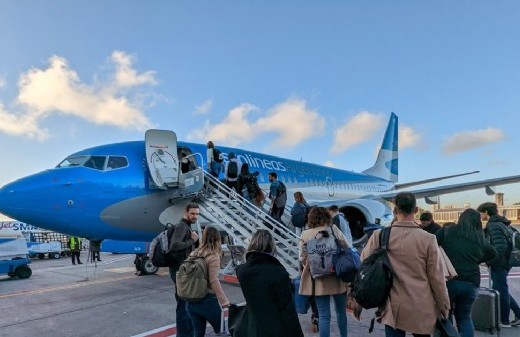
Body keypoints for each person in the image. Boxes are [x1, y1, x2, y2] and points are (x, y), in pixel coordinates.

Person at [361, 192, 450, 337]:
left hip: (392, 305)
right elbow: (437, 278)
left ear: (395, 211)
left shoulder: (379, 235)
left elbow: (363, 261)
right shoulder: (428, 239)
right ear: (416, 210)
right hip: (421, 304)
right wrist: (443, 305)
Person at [436, 208, 497, 337]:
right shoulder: (479, 237)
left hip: (449, 281)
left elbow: (432, 245)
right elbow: (493, 252)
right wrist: (478, 260)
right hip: (471, 282)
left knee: (446, 316)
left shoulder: (447, 232)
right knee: (465, 317)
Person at [236, 229, 304, 337]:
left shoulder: (241, 271)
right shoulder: (278, 272)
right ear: (271, 246)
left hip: (253, 327)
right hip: (276, 328)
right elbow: (288, 310)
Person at [299, 207, 349, 337]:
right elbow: (347, 247)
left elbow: (302, 257)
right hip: (337, 276)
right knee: (341, 312)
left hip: (318, 279)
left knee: (324, 315)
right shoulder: (333, 230)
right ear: (327, 217)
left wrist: (314, 266)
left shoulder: (306, 234)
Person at [477, 202, 520, 327]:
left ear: (485, 212)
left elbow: (500, 248)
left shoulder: (494, 225)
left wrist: (488, 261)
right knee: (501, 289)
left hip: (499, 263)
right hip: (504, 262)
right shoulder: (501, 223)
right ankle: (518, 313)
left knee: (501, 289)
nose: (480, 215)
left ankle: (504, 320)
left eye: (480, 213)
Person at [186, 226, 230, 337]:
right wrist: (224, 301)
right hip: (207, 301)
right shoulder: (213, 256)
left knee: (198, 333)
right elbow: (214, 280)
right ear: (217, 239)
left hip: (191, 301)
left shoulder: (194, 253)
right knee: (222, 331)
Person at [169, 203, 200, 337]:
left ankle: (187, 333)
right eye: (192, 213)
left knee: (185, 304)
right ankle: (183, 334)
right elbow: (174, 246)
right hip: (179, 271)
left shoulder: (187, 226)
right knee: (183, 306)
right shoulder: (182, 226)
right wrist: (192, 241)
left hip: (182, 270)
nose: (195, 216)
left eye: (197, 214)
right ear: (186, 213)